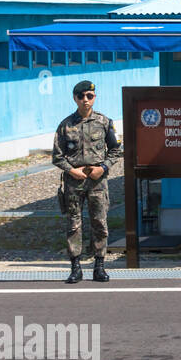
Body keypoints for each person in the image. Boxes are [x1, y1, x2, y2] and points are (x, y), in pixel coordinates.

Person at [52, 81, 121, 283]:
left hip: (97, 181)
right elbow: (57, 156)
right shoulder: (65, 125)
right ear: (75, 98)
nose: (85, 100)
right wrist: (72, 171)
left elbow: (116, 150)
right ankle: (76, 268)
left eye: (89, 96)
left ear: (94, 97)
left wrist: (104, 167)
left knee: (99, 223)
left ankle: (99, 266)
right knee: (74, 224)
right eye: (81, 96)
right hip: (74, 182)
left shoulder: (104, 122)